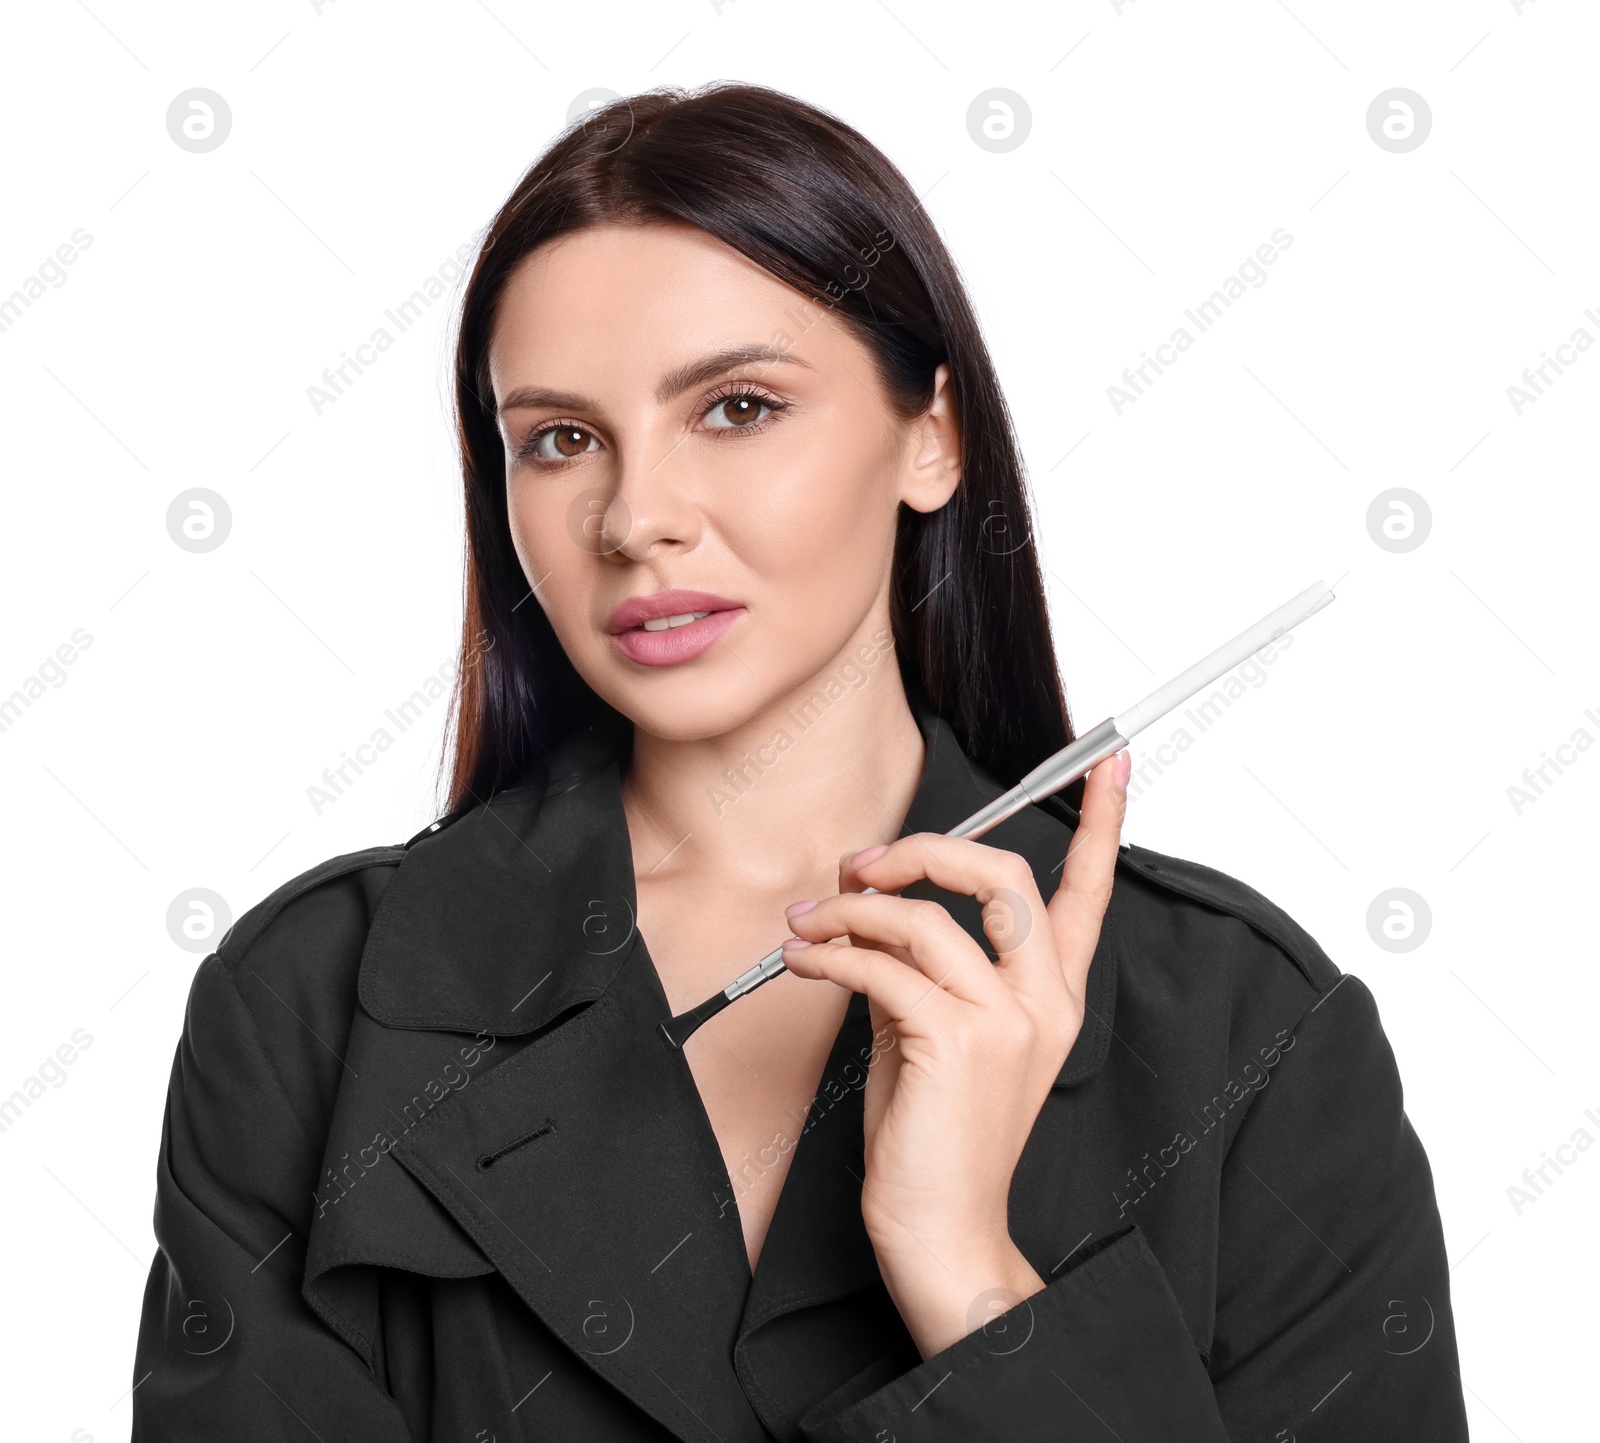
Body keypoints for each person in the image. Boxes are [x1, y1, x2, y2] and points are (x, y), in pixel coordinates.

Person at [132, 83, 1469, 1440]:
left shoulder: (1250, 1036)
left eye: (737, 409)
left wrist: (971, 1274)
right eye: (560, 439)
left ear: (931, 437)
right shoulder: (311, 1004)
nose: (636, 518)